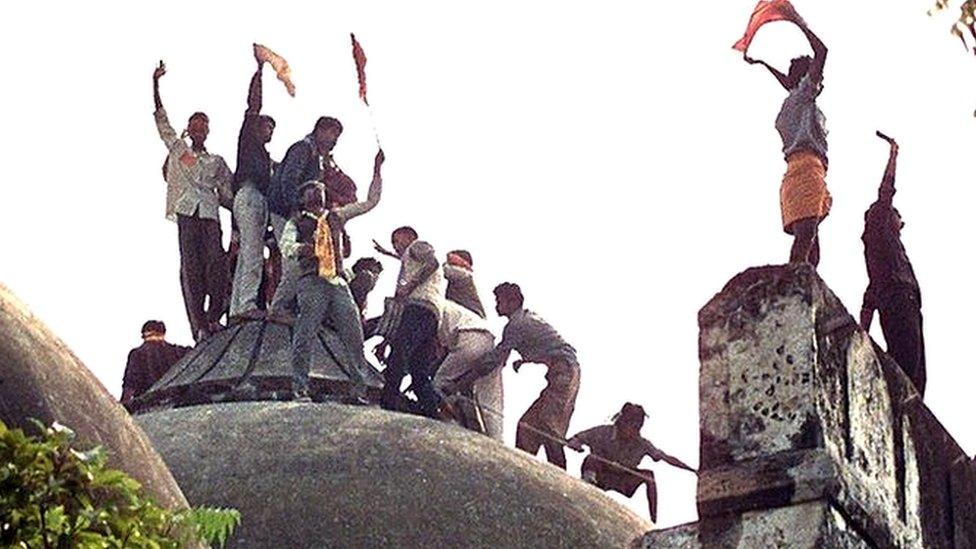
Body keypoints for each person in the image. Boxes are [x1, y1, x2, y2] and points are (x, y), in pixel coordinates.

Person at [280, 149, 385, 401]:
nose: (318, 192)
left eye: (320, 189)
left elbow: (370, 202)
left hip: (337, 282)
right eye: (311, 189)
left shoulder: (336, 216)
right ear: (303, 197)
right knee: (305, 333)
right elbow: (286, 247)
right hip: (312, 281)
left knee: (353, 334)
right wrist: (304, 248)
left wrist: (377, 171)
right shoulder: (296, 222)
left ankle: (358, 390)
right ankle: (300, 386)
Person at [152, 61, 233, 342]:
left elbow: (229, 193)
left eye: (203, 127)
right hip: (187, 213)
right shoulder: (182, 154)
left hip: (210, 214)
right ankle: (199, 324)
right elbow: (163, 125)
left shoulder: (216, 161)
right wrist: (156, 85)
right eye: (194, 127)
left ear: (208, 131)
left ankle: (213, 317)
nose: (199, 131)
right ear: (189, 130)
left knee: (216, 264)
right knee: (191, 269)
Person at [744, 16, 829, 266]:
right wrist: (798, 22)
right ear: (806, 79)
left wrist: (764, 64)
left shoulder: (792, 103)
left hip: (798, 171)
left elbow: (789, 83)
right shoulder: (803, 96)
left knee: (812, 245)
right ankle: (793, 284)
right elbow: (822, 52)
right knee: (806, 239)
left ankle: (805, 286)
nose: (820, 81)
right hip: (807, 169)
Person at [473, 283, 580, 469]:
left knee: (549, 426)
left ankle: (561, 478)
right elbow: (545, 345)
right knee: (527, 426)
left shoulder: (516, 324)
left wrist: (469, 373)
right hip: (562, 371)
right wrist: (525, 360)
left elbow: (497, 357)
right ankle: (520, 469)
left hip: (564, 372)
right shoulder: (524, 320)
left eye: (500, 301)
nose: (497, 305)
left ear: (513, 302)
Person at [859, 132, 926, 396]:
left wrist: (861, 333)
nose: (902, 221)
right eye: (898, 216)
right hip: (898, 302)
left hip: (908, 304)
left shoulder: (888, 254)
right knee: (906, 365)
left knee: (917, 376)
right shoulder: (878, 228)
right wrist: (893, 156)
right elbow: (886, 190)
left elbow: (869, 298)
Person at [267, 116, 345, 320]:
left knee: (302, 262)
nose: (334, 139)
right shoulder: (303, 149)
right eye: (332, 133)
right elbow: (289, 178)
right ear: (320, 130)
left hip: (294, 213)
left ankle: (287, 307)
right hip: (285, 211)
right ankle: (278, 308)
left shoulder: (314, 155)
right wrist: (295, 209)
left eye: (337, 135)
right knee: (293, 262)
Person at [567, 403, 697, 523]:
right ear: (622, 422)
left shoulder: (642, 444)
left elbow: (666, 457)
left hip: (622, 480)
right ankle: (587, 487)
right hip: (601, 474)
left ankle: (653, 520)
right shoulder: (603, 432)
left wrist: (692, 470)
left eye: (637, 427)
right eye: (631, 426)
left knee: (649, 476)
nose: (634, 431)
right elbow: (578, 438)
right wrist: (575, 443)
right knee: (592, 459)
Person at [228, 52, 279, 322]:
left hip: (254, 198)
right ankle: (246, 304)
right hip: (249, 195)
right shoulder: (249, 141)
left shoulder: (265, 157)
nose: (269, 130)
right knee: (252, 253)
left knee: (249, 253)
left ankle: (237, 308)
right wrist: (259, 72)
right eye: (266, 126)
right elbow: (253, 106)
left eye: (272, 128)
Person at [373, 227, 444, 417]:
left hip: (419, 307)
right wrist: (387, 253)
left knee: (399, 354)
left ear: (409, 237)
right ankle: (431, 412)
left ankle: (388, 403)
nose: (395, 246)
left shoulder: (417, 246)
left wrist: (409, 286)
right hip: (432, 314)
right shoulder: (410, 257)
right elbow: (409, 259)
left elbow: (433, 262)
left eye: (397, 240)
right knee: (418, 368)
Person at [433, 299, 501, 440]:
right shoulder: (444, 304)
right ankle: (492, 438)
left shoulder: (429, 308)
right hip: (488, 340)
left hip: (469, 338)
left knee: (440, 382)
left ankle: (446, 422)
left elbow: (436, 351)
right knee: (483, 398)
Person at [120, 321, 191, 410]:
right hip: (177, 406)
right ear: (163, 333)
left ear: (144, 335)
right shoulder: (179, 352)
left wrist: (122, 407)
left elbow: (130, 384)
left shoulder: (137, 354)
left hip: (148, 409)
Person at [444, 250, 486, 317]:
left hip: (470, 315)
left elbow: (444, 271)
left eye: (453, 264)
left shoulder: (463, 274)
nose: (447, 264)